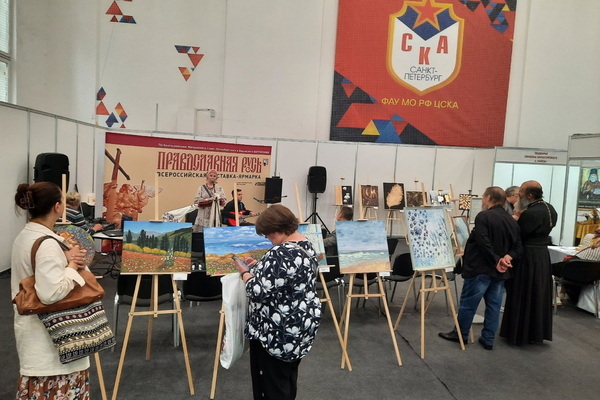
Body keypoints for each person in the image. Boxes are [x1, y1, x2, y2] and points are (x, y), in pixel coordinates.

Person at [234, 204, 321, 400]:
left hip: (276, 331)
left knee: (272, 386)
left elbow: (257, 292)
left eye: (267, 234)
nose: (267, 238)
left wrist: (245, 273)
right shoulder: (305, 244)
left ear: (276, 228)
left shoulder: (281, 253)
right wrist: (260, 267)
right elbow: (288, 277)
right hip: (298, 327)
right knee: (286, 379)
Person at [11, 182, 89, 399]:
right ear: (57, 207)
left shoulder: (25, 236)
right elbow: (51, 293)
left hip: (37, 337)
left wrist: (63, 258)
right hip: (54, 341)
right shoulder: (47, 244)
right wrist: (72, 267)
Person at [439, 187, 522, 350]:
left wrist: (497, 260)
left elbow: (483, 242)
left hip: (481, 269)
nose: (482, 200)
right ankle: (488, 339)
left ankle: (460, 334)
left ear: (489, 198)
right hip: (500, 272)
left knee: (469, 303)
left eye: (483, 196)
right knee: (494, 306)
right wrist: (506, 258)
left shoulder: (484, 216)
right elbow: (518, 247)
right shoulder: (511, 220)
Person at [500, 180, 558, 345]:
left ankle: (520, 332)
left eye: (521, 194)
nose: (518, 196)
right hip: (541, 255)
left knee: (522, 291)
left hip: (528, 256)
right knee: (537, 293)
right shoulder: (550, 208)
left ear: (530, 196)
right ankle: (534, 332)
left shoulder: (531, 213)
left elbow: (519, 235)